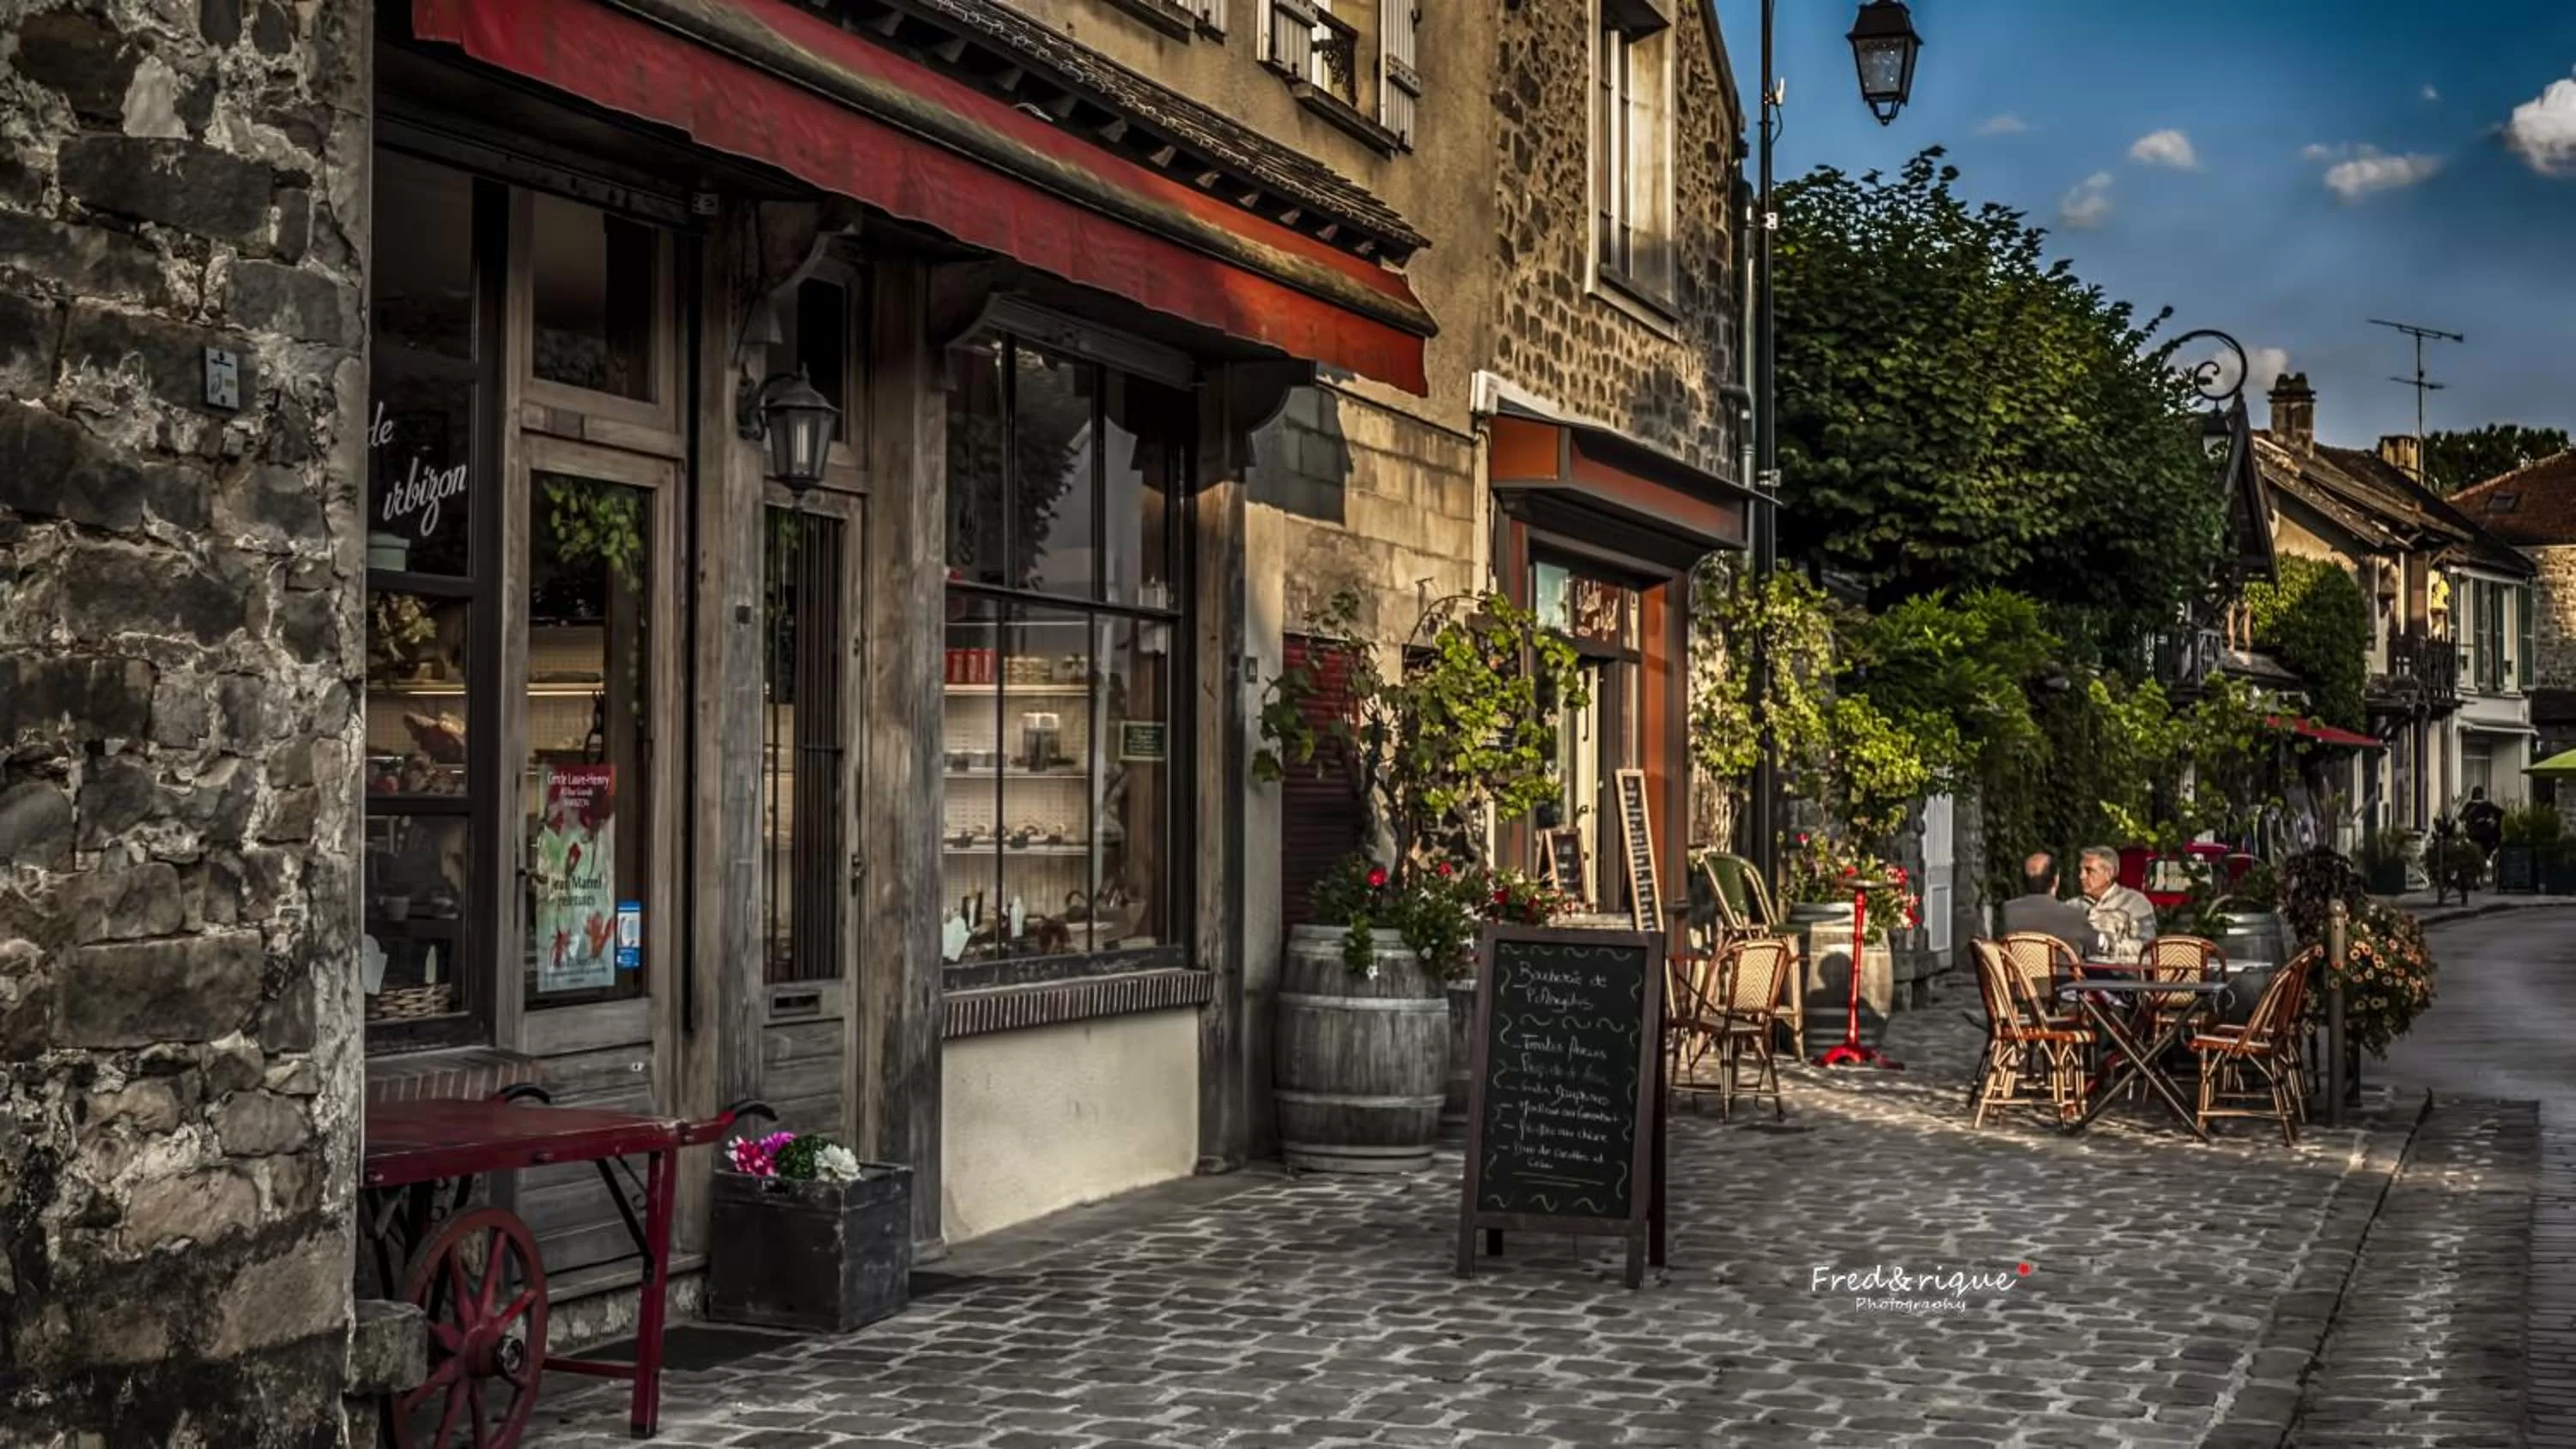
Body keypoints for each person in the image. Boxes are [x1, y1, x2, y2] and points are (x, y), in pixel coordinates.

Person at [2000, 852, 2095, 956]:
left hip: (2017, 967)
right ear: (2056, 880)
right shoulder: (2073, 915)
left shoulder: (2006, 911)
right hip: (2063, 968)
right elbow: (2098, 946)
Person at [2076, 845, 2158, 963]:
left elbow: (2148, 946)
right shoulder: (2073, 906)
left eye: (2089, 871)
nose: (2082, 876)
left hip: (2119, 972)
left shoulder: (2135, 903)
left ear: (2110, 873)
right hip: (2077, 971)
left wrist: (2105, 943)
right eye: (2081, 870)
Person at [2462, 787, 2504, 860]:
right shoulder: (2488, 805)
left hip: (2472, 835)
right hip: (2487, 836)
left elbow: (2461, 818)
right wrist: (2492, 820)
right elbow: (2502, 813)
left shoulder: (2468, 806)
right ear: (2482, 795)